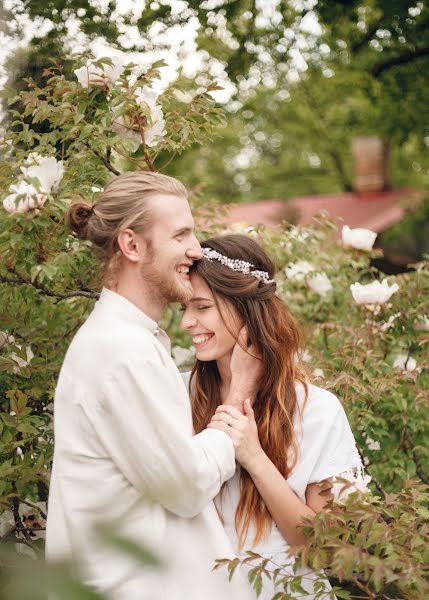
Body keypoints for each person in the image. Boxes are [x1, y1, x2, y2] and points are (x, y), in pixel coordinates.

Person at [45, 172, 255, 600]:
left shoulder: (132, 342)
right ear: (132, 245)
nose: (196, 250)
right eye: (181, 234)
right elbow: (186, 486)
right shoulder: (121, 352)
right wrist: (237, 397)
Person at [180, 234, 367, 600]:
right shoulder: (176, 396)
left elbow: (324, 548)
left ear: (245, 310)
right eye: (183, 308)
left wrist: (255, 458)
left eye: (202, 307)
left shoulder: (316, 410)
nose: (187, 322)